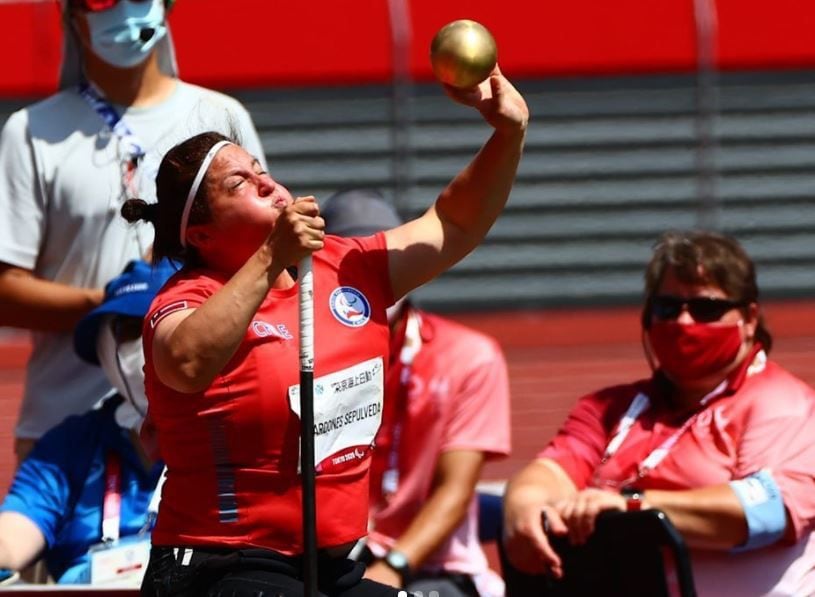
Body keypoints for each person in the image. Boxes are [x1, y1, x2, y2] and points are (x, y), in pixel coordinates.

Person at [121, 64, 528, 596]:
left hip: (332, 565)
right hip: (220, 565)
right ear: (199, 233)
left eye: (260, 168)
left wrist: (508, 133)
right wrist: (271, 257)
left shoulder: (345, 266)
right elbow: (186, 363)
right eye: (240, 183)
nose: (267, 182)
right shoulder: (185, 299)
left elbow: (454, 223)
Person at [0, 0, 265, 461]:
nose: (124, 11)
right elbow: (6, 291)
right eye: (103, 1)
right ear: (73, 16)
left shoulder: (222, 116)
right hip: (64, 436)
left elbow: (262, 253)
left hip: (200, 427)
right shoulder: (30, 132)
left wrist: (164, 301)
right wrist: (117, 304)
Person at [502, 230, 815, 596]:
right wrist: (524, 507)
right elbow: (550, 471)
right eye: (667, 308)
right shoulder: (610, 408)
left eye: (705, 308)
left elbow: (768, 512)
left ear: (748, 317)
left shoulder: (782, 404)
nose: (683, 322)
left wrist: (633, 507)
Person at [321, 189, 511, 597]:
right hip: (330, 562)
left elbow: (455, 489)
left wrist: (394, 565)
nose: (369, 279)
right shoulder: (299, 360)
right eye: (350, 264)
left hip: (428, 568)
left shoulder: (468, 357)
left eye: (380, 260)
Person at [0, 259, 174, 585]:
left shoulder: (236, 436)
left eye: (161, 321)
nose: (145, 341)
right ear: (103, 347)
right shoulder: (68, 446)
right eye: (127, 329)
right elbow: (12, 536)